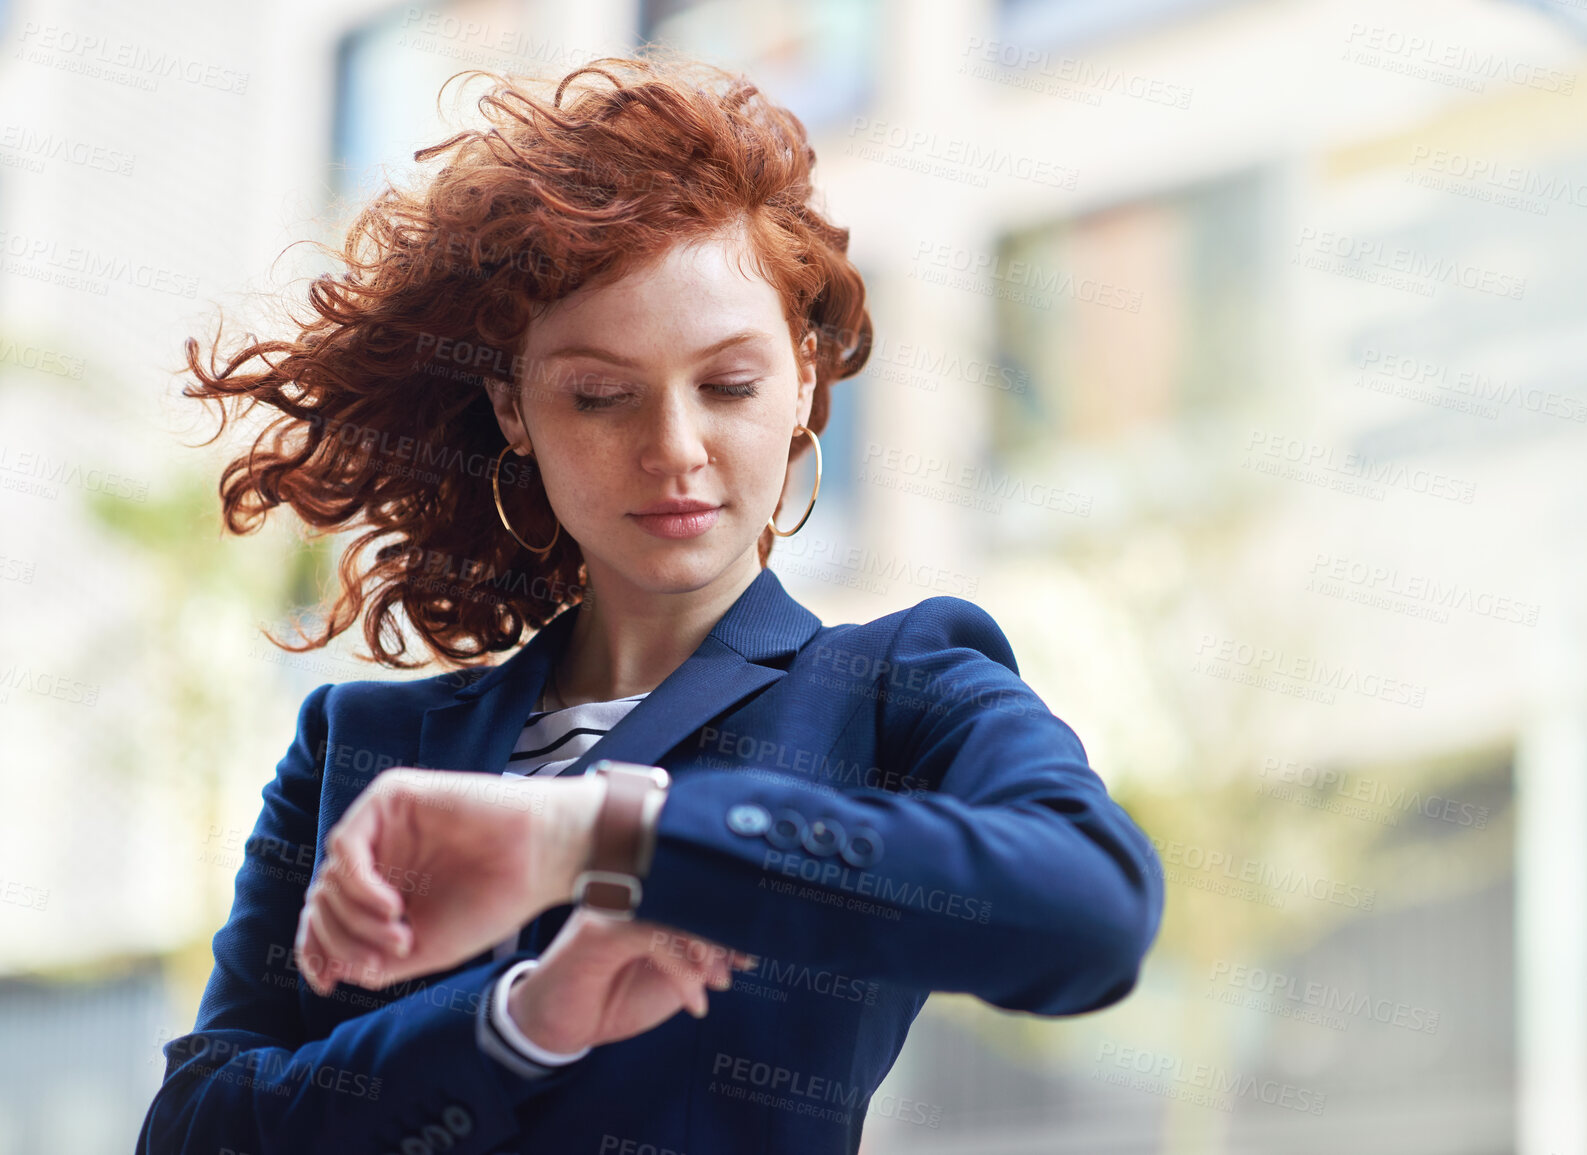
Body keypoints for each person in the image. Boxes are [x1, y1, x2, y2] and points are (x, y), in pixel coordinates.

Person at [135, 54, 1163, 1155]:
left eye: (729, 385)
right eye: (600, 396)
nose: (674, 451)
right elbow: (193, 1131)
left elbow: (1093, 911)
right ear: (514, 409)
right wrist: (515, 1022)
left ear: (805, 380)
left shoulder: (893, 690)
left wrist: (597, 837)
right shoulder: (358, 746)